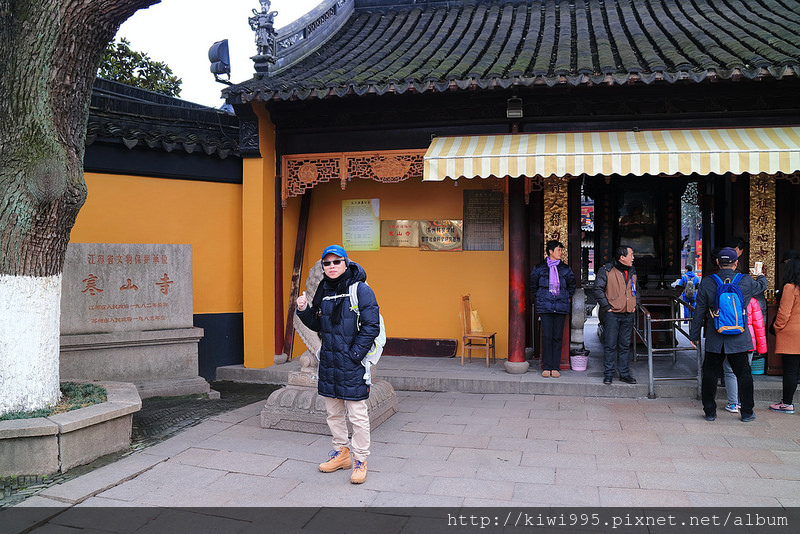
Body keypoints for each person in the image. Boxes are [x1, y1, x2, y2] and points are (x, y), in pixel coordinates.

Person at [296, 245, 380, 484]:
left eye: (336, 262)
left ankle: (360, 459)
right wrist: (304, 310)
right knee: (333, 413)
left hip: (351, 363)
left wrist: (354, 355)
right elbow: (318, 324)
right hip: (330, 363)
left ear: (346, 263)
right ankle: (342, 454)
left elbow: (371, 326)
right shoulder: (324, 289)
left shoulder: (360, 289)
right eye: (327, 263)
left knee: (357, 415)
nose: (331, 267)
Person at [689, 247, 756, 422]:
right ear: (736, 263)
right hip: (739, 336)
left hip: (715, 336)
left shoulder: (707, 282)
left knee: (710, 373)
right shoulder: (746, 281)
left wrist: (694, 335)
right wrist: (762, 276)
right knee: (744, 374)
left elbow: (699, 311)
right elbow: (761, 286)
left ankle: (710, 412)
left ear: (717, 262)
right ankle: (747, 412)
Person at [593, 246, 640, 385]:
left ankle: (624, 374)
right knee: (610, 345)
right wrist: (607, 307)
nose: (633, 257)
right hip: (612, 314)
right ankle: (608, 374)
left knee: (625, 345)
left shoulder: (632, 271)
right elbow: (597, 289)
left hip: (628, 313)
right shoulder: (606, 270)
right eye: (631, 254)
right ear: (622, 257)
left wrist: (635, 305)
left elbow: (636, 290)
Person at [530, 240, 576, 378]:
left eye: (561, 250)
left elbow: (571, 286)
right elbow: (533, 285)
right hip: (545, 306)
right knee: (546, 337)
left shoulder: (565, 269)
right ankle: (546, 367)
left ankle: (555, 367)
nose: (561, 253)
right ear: (550, 252)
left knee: (557, 337)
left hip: (561, 306)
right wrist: (541, 297)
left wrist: (565, 296)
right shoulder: (539, 268)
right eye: (559, 250)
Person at [722, 297, 767, 414]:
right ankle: (743, 402)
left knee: (729, 371)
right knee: (745, 372)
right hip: (748, 342)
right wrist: (762, 347)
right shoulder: (752, 301)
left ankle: (733, 403)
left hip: (730, 339)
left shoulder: (726, 298)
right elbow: (759, 326)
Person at [769, 256, 800, 414]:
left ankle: (787, 403)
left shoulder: (790, 287)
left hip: (792, 336)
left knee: (790, 371)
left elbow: (784, 314)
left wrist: (776, 327)